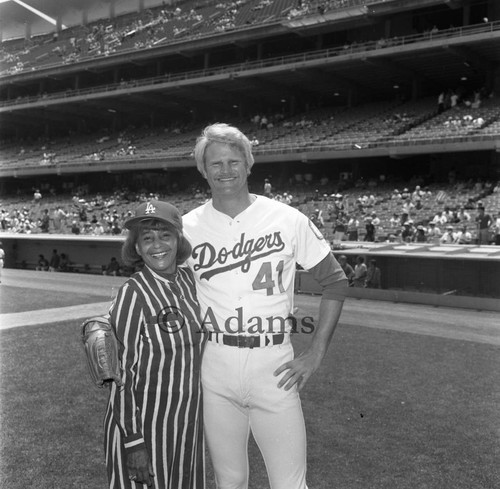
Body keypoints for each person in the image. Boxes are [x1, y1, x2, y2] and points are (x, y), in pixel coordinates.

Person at [183, 123, 347, 489]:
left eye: (233, 161)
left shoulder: (286, 218)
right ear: (203, 170)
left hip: (273, 364)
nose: (225, 170)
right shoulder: (186, 227)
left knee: (290, 484)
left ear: (248, 163)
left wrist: (316, 352)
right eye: (216, 163)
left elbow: (336, 281)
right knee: (230, 481)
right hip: (215, 365)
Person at [104, 200, 205, 489]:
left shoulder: (189, 281)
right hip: (144, 428)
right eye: (147, 238)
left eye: (165, 235)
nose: (156, 245)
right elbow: (120, 373)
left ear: (179, 240)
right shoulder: (133, 293)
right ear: (136, 247)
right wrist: (133, 442)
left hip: (186, 424)